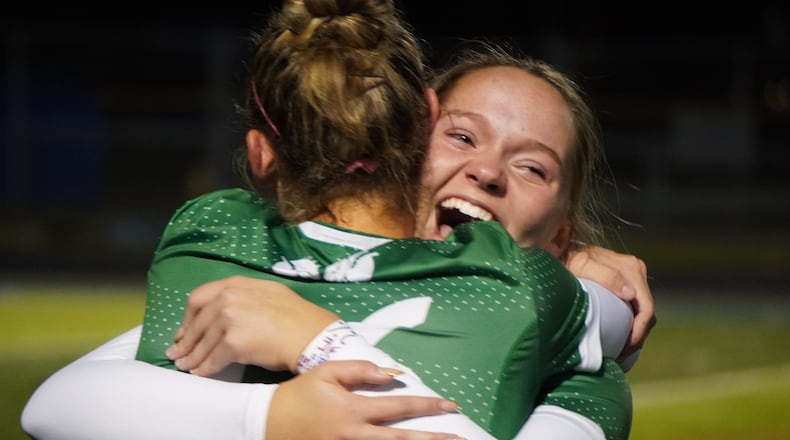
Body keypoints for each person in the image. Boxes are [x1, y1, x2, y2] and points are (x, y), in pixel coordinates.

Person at [20, 2, 652, 438]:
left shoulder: (582, 384)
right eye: (461, 137)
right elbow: (58, 403)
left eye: (534, 169)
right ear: (409, 132)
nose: (487, 172)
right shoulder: (243, 291)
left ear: (562, 234)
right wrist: (272, 412)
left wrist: (317, 338)